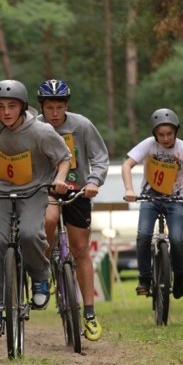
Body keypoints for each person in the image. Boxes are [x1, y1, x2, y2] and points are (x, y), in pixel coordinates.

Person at [0, 79, 71, 338]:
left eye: (11, 106)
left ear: (22, 107)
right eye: (0, 106)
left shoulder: (40, 131)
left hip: (32, 191)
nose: (6, 112)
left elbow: (63, 157)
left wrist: (60, 178)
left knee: (30, 234)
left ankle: (41, 277)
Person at [37, 79, 109, 341]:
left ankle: (89, 313)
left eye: (59, 107)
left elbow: (100, 157)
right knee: (50, 218)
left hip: (78, 189)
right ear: (41, 107)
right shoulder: (33, 126)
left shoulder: (81, 125)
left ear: (66, 105)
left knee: (80, 250)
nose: (54, 113)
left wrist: (93, 181)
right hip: (45, 191)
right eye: (49, 107)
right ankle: (42, 272)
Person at [122, 108, 183, 299]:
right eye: (161, 135)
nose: (165, 139)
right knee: (143, 235)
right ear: (154, 134)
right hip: (150, 198)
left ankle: (180, 276)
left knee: (176, 239)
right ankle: (144, 278)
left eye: (169, 134)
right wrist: (129, 189)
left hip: (175, 199)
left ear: (176, 132)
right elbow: (127, 165)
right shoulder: (149, 145)